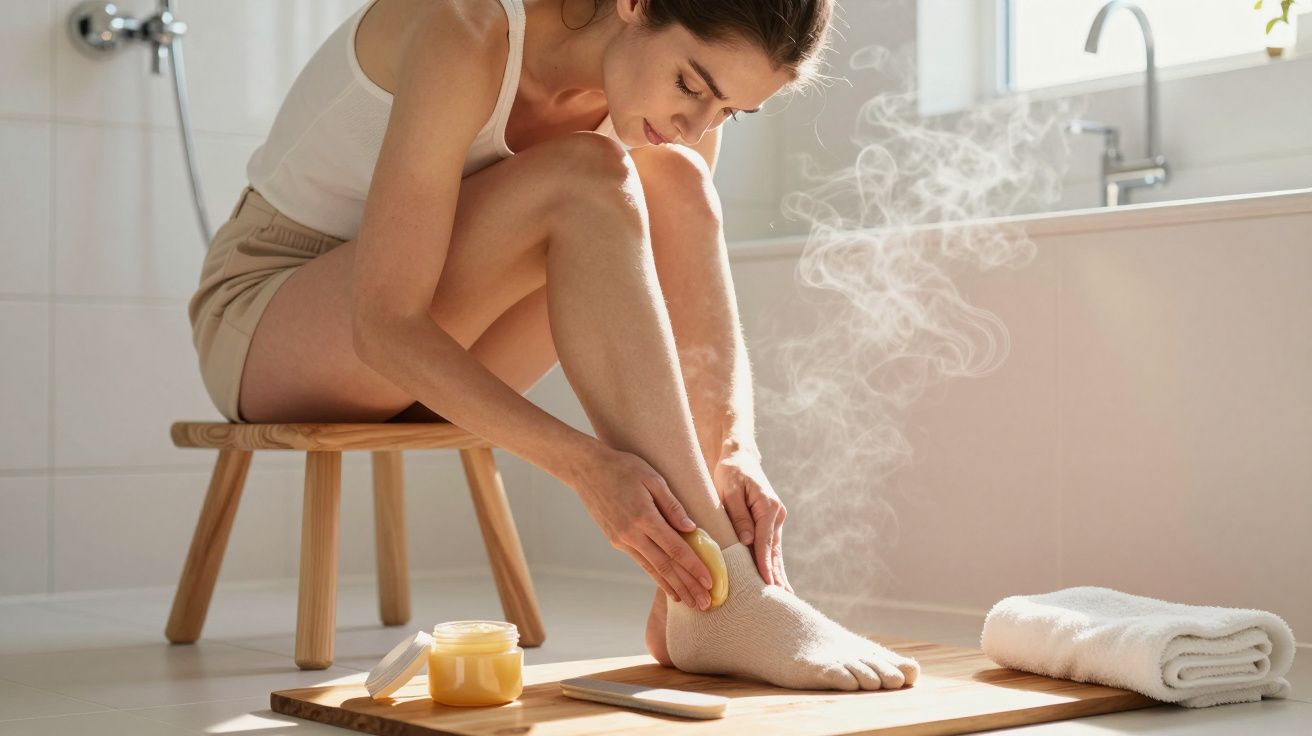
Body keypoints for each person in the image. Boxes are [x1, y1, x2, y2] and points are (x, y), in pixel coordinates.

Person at [187, 0, 919, 690]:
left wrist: (736, 450)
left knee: (676, 180)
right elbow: (383, 327)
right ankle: (726, 601)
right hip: (278, 318)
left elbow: (673, 292)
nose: (698, 121)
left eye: (729, 109)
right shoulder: (471, 29)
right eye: (691, 85)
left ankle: (706, 594)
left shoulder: (678, 119)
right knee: (589, 173)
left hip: (438, 354)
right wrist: (586, 467)